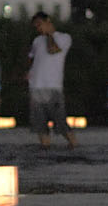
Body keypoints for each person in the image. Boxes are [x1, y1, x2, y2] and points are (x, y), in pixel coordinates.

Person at [27, 11, 78, 148]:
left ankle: (73, 144)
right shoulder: (37, 41)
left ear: (48, 22)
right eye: (36, 26)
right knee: (40, 124)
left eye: (40, 24)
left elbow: (53, 50)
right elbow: (32, 57)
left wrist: (49, 34)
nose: (38, 28)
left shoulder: (64, 38)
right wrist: (30, 74)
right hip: (36, 86)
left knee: (60, 121)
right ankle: (45, 147)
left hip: (53, 86)